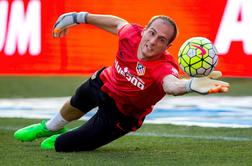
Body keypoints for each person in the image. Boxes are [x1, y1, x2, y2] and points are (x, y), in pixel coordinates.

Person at [14, 12, 229, 152]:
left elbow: (171, 84)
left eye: (161, 40)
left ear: (167, 47)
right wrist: (78, 17)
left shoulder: (164, 66)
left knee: (60, 146)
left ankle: (63, 137)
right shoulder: (132, 34)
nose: (153, 41)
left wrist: (189, 85)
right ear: (144, 30)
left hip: (121, 114)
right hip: (106, 83)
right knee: (81, 96)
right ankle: (50, 127)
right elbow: (118, 23)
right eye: (152, 33)